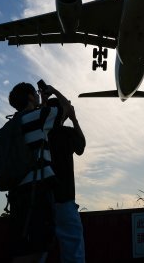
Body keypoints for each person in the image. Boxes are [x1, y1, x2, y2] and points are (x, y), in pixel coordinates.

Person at [6, 81, 72, 263]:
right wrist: (54, 91)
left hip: (16, 193)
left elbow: (41, 124)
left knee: (23, 247)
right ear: (29, 97)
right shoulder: (38, 117)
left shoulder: (13, 124)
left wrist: (43, 100)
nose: (36, 95)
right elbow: (66, 108)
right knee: (39, 246)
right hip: (38, 191)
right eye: (34, 93)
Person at [41, 88, 86, 263]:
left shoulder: (40, 133)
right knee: (73, 253)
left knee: (39, 251)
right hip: (64, 200)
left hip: (41, 201)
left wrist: (45, 101)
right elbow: (81, 146)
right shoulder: (66, 134)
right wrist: (74, 119)